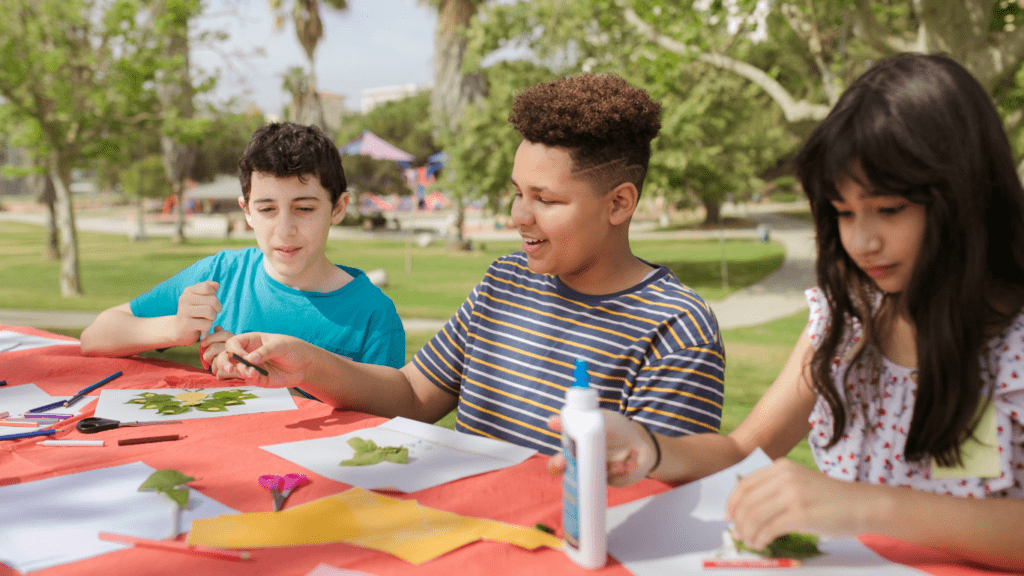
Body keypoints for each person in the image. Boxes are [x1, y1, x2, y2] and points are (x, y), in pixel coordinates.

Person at [558, 53, 1024, 570]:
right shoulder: (850, 320)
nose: (862, 241)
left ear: (965, 195)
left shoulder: (1013, 345)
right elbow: (744, 449)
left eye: (889, 209)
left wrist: (867, 506)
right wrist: (648, 447)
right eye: (843, 213)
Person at [220, 73, 726, 456]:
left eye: (545, 199)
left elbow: (654, 487)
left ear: (619, 204)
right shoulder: (506, 281)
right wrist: (308, 362)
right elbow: (415, 394)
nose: (518, 216)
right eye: (516, 193)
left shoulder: (676, 328)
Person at [80, 122, 406, 374]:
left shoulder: (373, 316)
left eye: (304, 209)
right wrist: (175, 329)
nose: (285, 229)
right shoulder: (220, 275)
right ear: (247, 211)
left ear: (338, 208)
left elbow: (385, 428)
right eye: (267, 209)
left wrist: (263, 378)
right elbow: (94, 337)